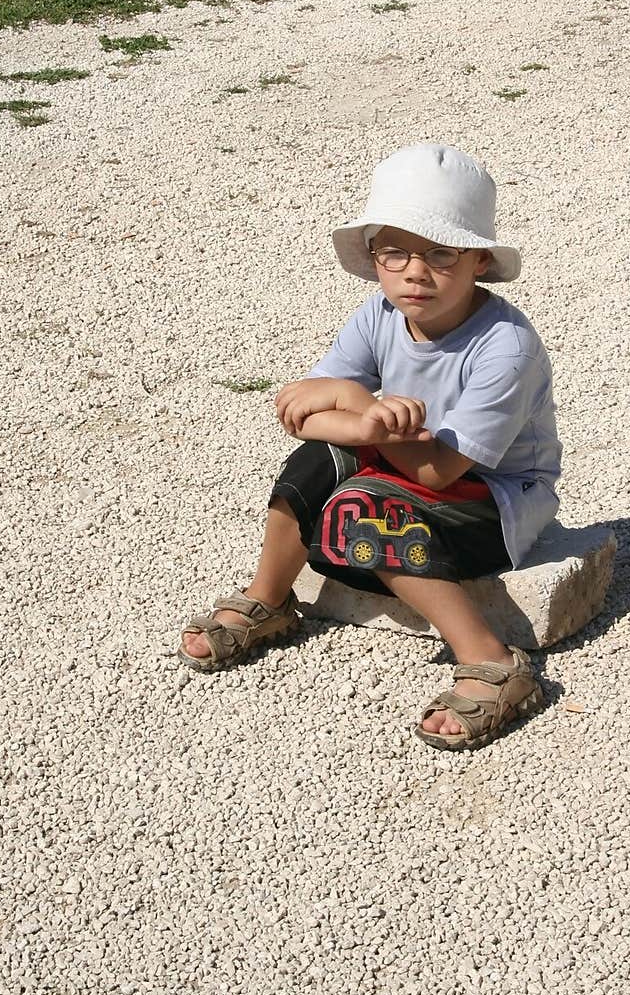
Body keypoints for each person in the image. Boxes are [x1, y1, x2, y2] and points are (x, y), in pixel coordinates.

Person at [178, 143, 562, 751]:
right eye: (396, 253)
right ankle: (268, 598)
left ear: (479, 261)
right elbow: (301, 412)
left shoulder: (504, 348)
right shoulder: (378, 314)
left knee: (359, 505)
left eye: (441, 253)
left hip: (493, 494)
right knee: (317, 465)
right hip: (410, 462)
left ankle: (492, 660)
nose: (416, 272)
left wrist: (356, 408)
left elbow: (439, 468)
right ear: (375, 258)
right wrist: (361, 424)